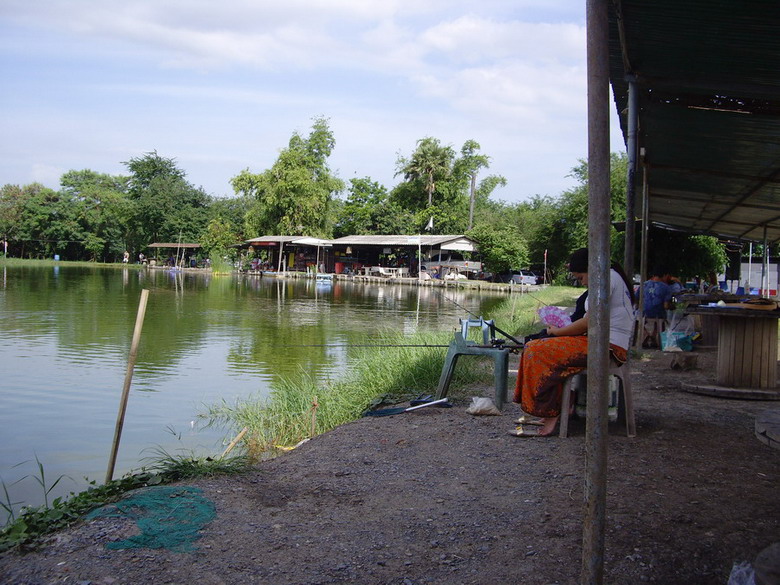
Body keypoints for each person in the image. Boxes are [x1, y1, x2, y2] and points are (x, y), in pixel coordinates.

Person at [511, 248, 635, 437]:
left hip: (608, 348)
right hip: (602, 343)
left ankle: (551, 415)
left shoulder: (605, 279)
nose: (582, 282)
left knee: (536, 350)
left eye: (581, 276)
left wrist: (558, 332)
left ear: (590, 269)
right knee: (537, 346)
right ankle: (549, 412)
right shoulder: (610, 276)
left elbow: (589, 321)